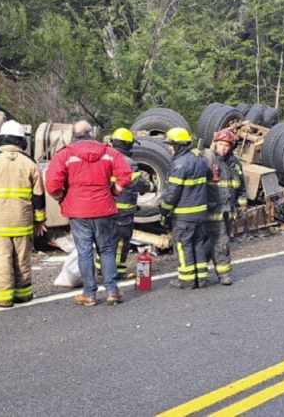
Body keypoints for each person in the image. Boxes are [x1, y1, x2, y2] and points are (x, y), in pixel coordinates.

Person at [46, 120, 132, 306]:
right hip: (104, 208)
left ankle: (89, 294)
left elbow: (52, 184)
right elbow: (125, 174)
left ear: (74, 135)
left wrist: (62, 197)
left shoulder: (65, 154)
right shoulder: (109, 152)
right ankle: (112, 290)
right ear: (91, 133)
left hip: (78, 211)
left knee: (85, 252)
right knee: (107, 249)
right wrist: (115, 190)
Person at [0, 120, 47, 308]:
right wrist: (40, 221)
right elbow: (38, 196)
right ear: (22, 141)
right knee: (22, 259)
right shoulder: (30, 164)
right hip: (23, 222)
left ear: (0, 140)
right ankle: (23, 294)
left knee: (1, 260)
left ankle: (2, 297)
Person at [94, 127, 156, 280]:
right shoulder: (128, 163)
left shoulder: (103, 157)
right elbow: (138, 184)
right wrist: (152, 186)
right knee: (121, 241)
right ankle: (116, 270)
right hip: (122, 212)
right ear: (128, 145)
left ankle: (101, 268)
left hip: (103, 209)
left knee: (104, 238)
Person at [160, 127, 210, 289]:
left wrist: (164, 211)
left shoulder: (180, 164)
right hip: (201, 214)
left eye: (170, 144)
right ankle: (201, 279)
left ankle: (187, 280)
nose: (169, 148)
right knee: (198, 244)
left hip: (184, 216)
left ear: (178, 145)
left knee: (183, 245)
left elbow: (172, 193)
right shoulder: (200, 161)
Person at [201, 129, 247, 285]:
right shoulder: (207, 159)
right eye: (220, 144)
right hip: (213, 210)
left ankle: (199, 271)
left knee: (213, 241)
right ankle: (223, 274)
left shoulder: (235, 164)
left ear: (231, 147)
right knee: (221, 241)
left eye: (226, 146)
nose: (223, 148)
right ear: (215, 144)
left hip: (228, 211)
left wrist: (242, 203)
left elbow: (240, 186)